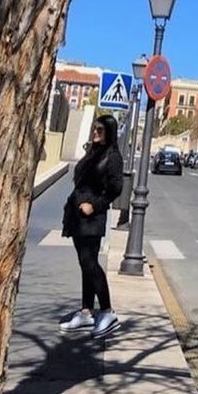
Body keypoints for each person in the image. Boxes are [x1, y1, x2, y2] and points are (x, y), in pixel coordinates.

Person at [60, 113, 125, 337]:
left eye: (100, 130)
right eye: (95, 128)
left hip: (92, 218)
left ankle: (107, 311)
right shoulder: (93, 152)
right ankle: (86, 311)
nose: (95, 132)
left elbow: (115, 189)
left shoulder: (113, 157)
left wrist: (94, 206)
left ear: (109, 132)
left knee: (90, 263)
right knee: (84, 264)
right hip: (77, 216)